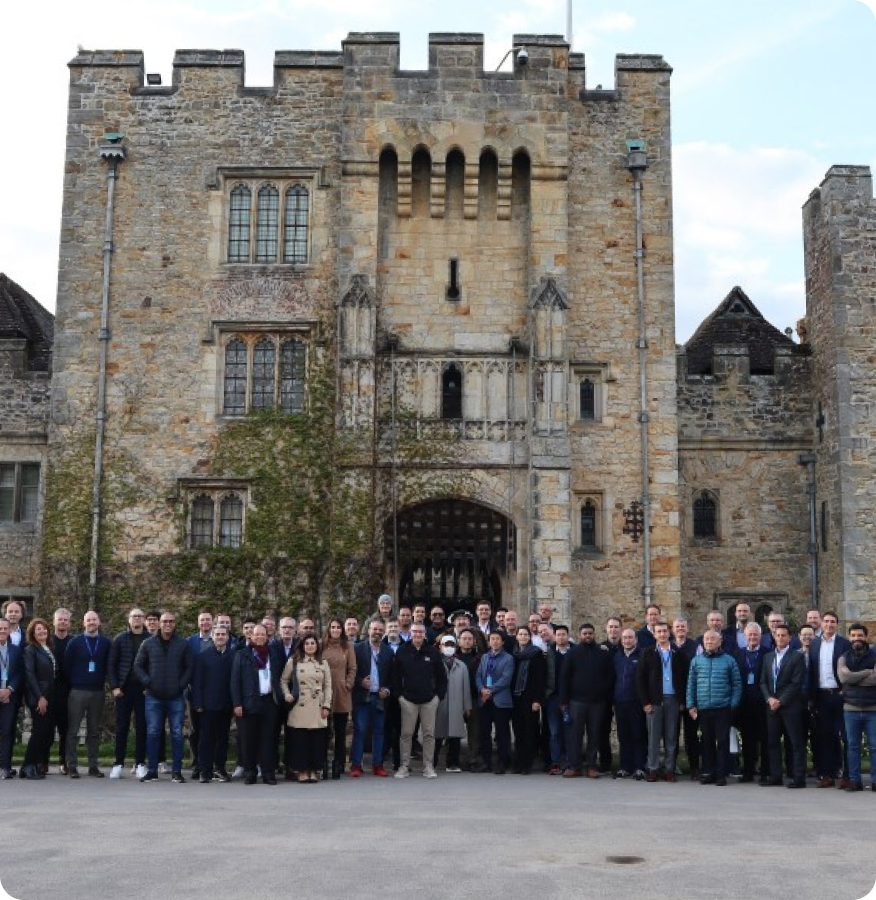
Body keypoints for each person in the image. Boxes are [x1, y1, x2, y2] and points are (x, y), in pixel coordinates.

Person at [134, 610, 193, 783]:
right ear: (159, 623)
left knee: (176, 733)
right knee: (153, 732)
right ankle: (152, 770)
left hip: (176, 697)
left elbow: (189, 667)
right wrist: (148, 682)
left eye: (171, 621)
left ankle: (176, 771)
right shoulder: (148, 643)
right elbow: (138, 666)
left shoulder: (183, 644)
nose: (168, 624)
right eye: (165, 621)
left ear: (175, 624)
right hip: (154, 696)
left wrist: (181, 685)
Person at [686, 630, 742, 786]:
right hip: (703, 708)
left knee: (722, 741)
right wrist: (691, 704)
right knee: (706, 741)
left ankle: (721, 774)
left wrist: (733, 704)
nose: (709, 641)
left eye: (712, 639)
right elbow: (691, 684)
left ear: (719, 642)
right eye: (706, 639)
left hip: (723, 708)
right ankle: (708, 772)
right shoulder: (696, 661)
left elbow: (737, 684)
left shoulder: (729, 661)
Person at [392, 623, 447, 778]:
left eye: (420, 632)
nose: (417, 634)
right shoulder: (402, 651)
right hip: (408, 700)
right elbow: (395, 677)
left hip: (429, 701)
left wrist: (438, 697)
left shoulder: (433, 652)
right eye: (415, 631)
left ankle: (428, 767)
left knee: (429, 734)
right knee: (406, 734)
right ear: (410, 633)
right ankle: (404, 766)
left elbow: (442, 678)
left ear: (424, 634)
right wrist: (400, 696)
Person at [231, 624, 282, 785]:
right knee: (248, 739)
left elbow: (281, 677)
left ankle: (268, 772)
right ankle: (250, 772)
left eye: (263, 634)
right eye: (256, 634)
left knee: (268, 739)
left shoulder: (273, 654)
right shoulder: (242, 654)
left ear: (267, 636)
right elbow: (235, 681)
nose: (259, 637)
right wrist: (237, 703)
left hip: (269, 701)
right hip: (248, 702)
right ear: (251, 636)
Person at [637, 621, 687, 782]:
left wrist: (682, 700)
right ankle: (653, 768)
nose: (662, 634)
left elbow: (684, 678)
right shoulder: (647, 653)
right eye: (659, 632)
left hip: (673, 699)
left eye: (665, 631)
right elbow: (640, 680)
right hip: (654, 701)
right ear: (654, 634)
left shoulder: (677, 652)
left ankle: (670, 769)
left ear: (669, 633)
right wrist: (645, 702)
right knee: (653, 737)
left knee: (671, 737)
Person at [760, 623, 807, 789]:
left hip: (790, 706)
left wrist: (780, 700)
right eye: (777, 635)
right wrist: (769, 699)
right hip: (771, 706)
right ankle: (775, 776)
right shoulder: (768, 657)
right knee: (772, 743)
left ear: (790, 638)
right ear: (774, 637)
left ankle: (799, 777)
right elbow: (763, 681)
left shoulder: (797, 657)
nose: (780, 638)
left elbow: (796, 683)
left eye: (783, 635)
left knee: (795, 743)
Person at [64, 610, 111, 779]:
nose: (91, 622)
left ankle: (93, 766)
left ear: (99, 622)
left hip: (97, 691)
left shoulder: (106, 643)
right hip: (77, 691)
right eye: (88, 620)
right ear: (83, 623)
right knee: (73, 731)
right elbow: (67, 667)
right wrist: (76, 682)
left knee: (93, 731)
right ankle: (72, 766)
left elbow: (108, 666)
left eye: (94, 619)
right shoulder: (75, 642)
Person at [809, 610, 851, 788]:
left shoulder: (844, 644)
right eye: (826, 621)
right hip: (822, 696)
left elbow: (850, 669)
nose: (829, 624)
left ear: (837, 624)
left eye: (833, 622)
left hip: (840, 696)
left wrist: (845, 691)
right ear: (822, 624)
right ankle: (826, 774)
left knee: (846, 736)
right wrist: (812, 698)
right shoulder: (815, 643)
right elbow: (812, 671)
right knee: (824, 736)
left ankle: (847, 776)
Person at [282, 634, 331, 784]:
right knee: (300, 741)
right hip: (299, 705)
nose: (310, 646)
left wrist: (327, 705)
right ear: (302, 646)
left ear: (317, 645)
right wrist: (287, 694)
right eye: (307, 643)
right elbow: (283, 680)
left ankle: (314, 770)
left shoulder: (323, 662)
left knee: (316, 741)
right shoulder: (294, 661)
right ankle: (301, 770)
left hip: (317, 706)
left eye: (313, 643)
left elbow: (328, 686)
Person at [108, 607, 149, 779]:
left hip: (144, 690)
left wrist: (150, 686)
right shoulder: (120, 639)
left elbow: (154, 665)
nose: (137, 619)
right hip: (124, 690)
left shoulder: (150, 639)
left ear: (144, 619)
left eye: (140, 616)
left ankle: (140, 763)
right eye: (134, 616)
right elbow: (111, 665)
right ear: (129, 619)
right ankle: (118, 763)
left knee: (142, 727)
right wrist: (115, 687)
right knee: (122, 727)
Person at [191, 623, 235, 783]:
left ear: (228, 637)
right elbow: (197, 682)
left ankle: (220, 769)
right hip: (207, 706)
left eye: (223, 634)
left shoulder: (233, 656)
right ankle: (205, 770)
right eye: (217, 635)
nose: (220, 637)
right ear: (213, 637)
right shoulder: (203, 657)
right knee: (206, 739)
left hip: (226, 705)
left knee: (223, 739)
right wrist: (198, 703)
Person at [350, 620, 393, 778]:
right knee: (359, 731)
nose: (378, 632)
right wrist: (360, 681)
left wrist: (387, 690)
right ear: (368, 630)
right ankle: (356, 765)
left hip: (379, 698)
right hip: (362, 697)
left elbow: (392, 677)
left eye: (381, 630)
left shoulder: (388, 652)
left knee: (379, 732)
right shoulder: (358, 649)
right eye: (375, 629)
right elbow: (350, 672)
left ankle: (377, 765)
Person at [836, 623, 876, 792]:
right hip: (850, 708)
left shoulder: (874, 655)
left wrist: (855, 678)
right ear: (849, 637)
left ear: (866, 637)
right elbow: (844, 678)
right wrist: (867, 672)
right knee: (852, 746)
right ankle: (854, 780)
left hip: (872, 709)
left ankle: (875, 780)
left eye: (860, 635)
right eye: (853, 635)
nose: (856, 639)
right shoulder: (843, 657)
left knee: (875, 746)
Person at [733, 622, 770, 784]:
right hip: (745, 702)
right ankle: (748, 771)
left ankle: (765, 772)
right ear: (745, 637)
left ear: (760, 637)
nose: (753, 637)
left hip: (763, 702)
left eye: (756, 634)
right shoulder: (738, 654)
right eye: (750, 635)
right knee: (747, 739)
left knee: (765, 738)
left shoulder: (767, 654)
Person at [21, 618, 57, 780]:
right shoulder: (31, 650)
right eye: (38, 630)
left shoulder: (48, 648)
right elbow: (30, 675)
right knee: (38, 732)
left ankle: (35, 764)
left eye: (44, 629)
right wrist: (40, 697)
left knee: (45, 733)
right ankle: (27, 766)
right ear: (32, 634)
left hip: (49, 695)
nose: (42, 631)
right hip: (38, 696)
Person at [476, 630, 515, 774]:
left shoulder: (508, 659)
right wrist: (482, 689)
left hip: (500, 701)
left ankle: (502, 762)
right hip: (485, 701)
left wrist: (490, 690)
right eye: (492, 639)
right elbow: (479, 675)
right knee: (484, 732)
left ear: (503, 642)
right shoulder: (485, 657)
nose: (495, 641)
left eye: (498, 639)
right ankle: (486, 762)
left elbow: (506, 679)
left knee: (502, 733)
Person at [322, 618, 356, 778]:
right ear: (328, 629)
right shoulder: (322, 646)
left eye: (338, 627)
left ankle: (339, 763)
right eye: (332, 627)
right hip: (324, 693)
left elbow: (353, 668)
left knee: (340, 731)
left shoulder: (347, 647)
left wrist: (348, 684)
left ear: (342, 630)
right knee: (324, 730)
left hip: (341, 692)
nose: (335, 630)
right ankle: (323, 763)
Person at [433, 634, 472, 773]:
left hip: (456, 704)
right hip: (440, 703)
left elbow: (466, 687)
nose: (449, 647)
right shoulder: (436, 663)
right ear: (440, 647)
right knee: (437, 735)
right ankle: (433, 762)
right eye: (446, 645)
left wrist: (467, 706)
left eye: (451, 645)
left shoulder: (461, 666)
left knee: (455, 736)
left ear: (455, 647)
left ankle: (453, 763)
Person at [511, 626, 546, 775]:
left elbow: (540, 679)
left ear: (530, 637)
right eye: (520, 634)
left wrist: (537, 700)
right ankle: (519, 762)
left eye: (526, 634)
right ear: (517, 637)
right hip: (516, 697)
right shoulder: (514, 654)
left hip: (530, 697)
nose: (523, 636)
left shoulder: (536, 654)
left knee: (529, 731)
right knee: (518, 731)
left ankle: (527, 763)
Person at [612, 628, 647, 779]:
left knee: (638, 735)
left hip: (637, 702)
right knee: (623, 735)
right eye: (625, 638)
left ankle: (639, 767)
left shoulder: (643, 655)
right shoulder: (617, 657)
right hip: (620, 702)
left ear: (636, 640)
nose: (627, 640)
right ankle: (625, 767)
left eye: (630, 638)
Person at [186, 611, 214, 777]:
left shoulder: (218, 639)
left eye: (208, 620)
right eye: (202, 620)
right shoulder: (190, 642)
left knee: (210, 730)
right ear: (198, 623)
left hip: (214, 693)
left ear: (212, 622)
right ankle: (197, 763)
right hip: (195, 692)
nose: (205, 623)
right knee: (195, 730)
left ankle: (210, 764)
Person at [672, 617, 701, 779]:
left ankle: (694, 767)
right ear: (673, 630)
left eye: (683, 626)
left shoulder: (696, 647)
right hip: (673, 697)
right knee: (672, 734)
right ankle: (672, 766)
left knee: (691, 735)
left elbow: (700, 670)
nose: (680, 629)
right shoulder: (667, 646)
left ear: (687, 629)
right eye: (677, 626)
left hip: (691, 697)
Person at [544, 623, 571, 775]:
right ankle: (555, 762)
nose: (561, 637)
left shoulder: (574, 651)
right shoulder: (548, 653)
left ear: (568, 636)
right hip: (553, 697)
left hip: (570, 698)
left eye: (563, 634)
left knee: (569, 731)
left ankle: (568, 761)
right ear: (554, 636)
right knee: (554, 732)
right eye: (558, 634)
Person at [49, 608, 73, 774]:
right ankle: (42, 762)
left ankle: (64, 762)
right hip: (49, 690)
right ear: (54, 622)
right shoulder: (47, 641)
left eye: (65, 620)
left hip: (69, 691)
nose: (62, 622)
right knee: (47, 730)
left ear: (69, 623)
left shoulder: (74, 642)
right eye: (60, 619)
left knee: (66, 730)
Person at [455, 627, 482, 770]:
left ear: (474, 642)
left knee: (474, 731)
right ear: (458, 641)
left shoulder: (479, 658)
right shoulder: (452, 658)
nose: (467, 641)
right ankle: (454, 760)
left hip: (474, 698)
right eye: (464, 639)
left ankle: (473, 759)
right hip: (456, 700)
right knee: (454, 731)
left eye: (469, 639)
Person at [0, 617, 24, 779]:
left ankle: (5, 767)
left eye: (5, 629)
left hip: (10, 696)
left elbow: (19, 673)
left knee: (7, 732)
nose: (2, 631)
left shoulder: (16, 650)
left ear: (9, 631)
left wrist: (9, 689)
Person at [598, 617, 622, 773]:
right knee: (602, 730)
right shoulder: (600, 648)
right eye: (611, 627)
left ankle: (626, 764)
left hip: (622, 696)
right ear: (606, 629)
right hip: (604, 697)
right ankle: (605, 764)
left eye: (616, 627)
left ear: (620, 629)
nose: (613, 630)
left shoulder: (626, 645)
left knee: (625, 731)